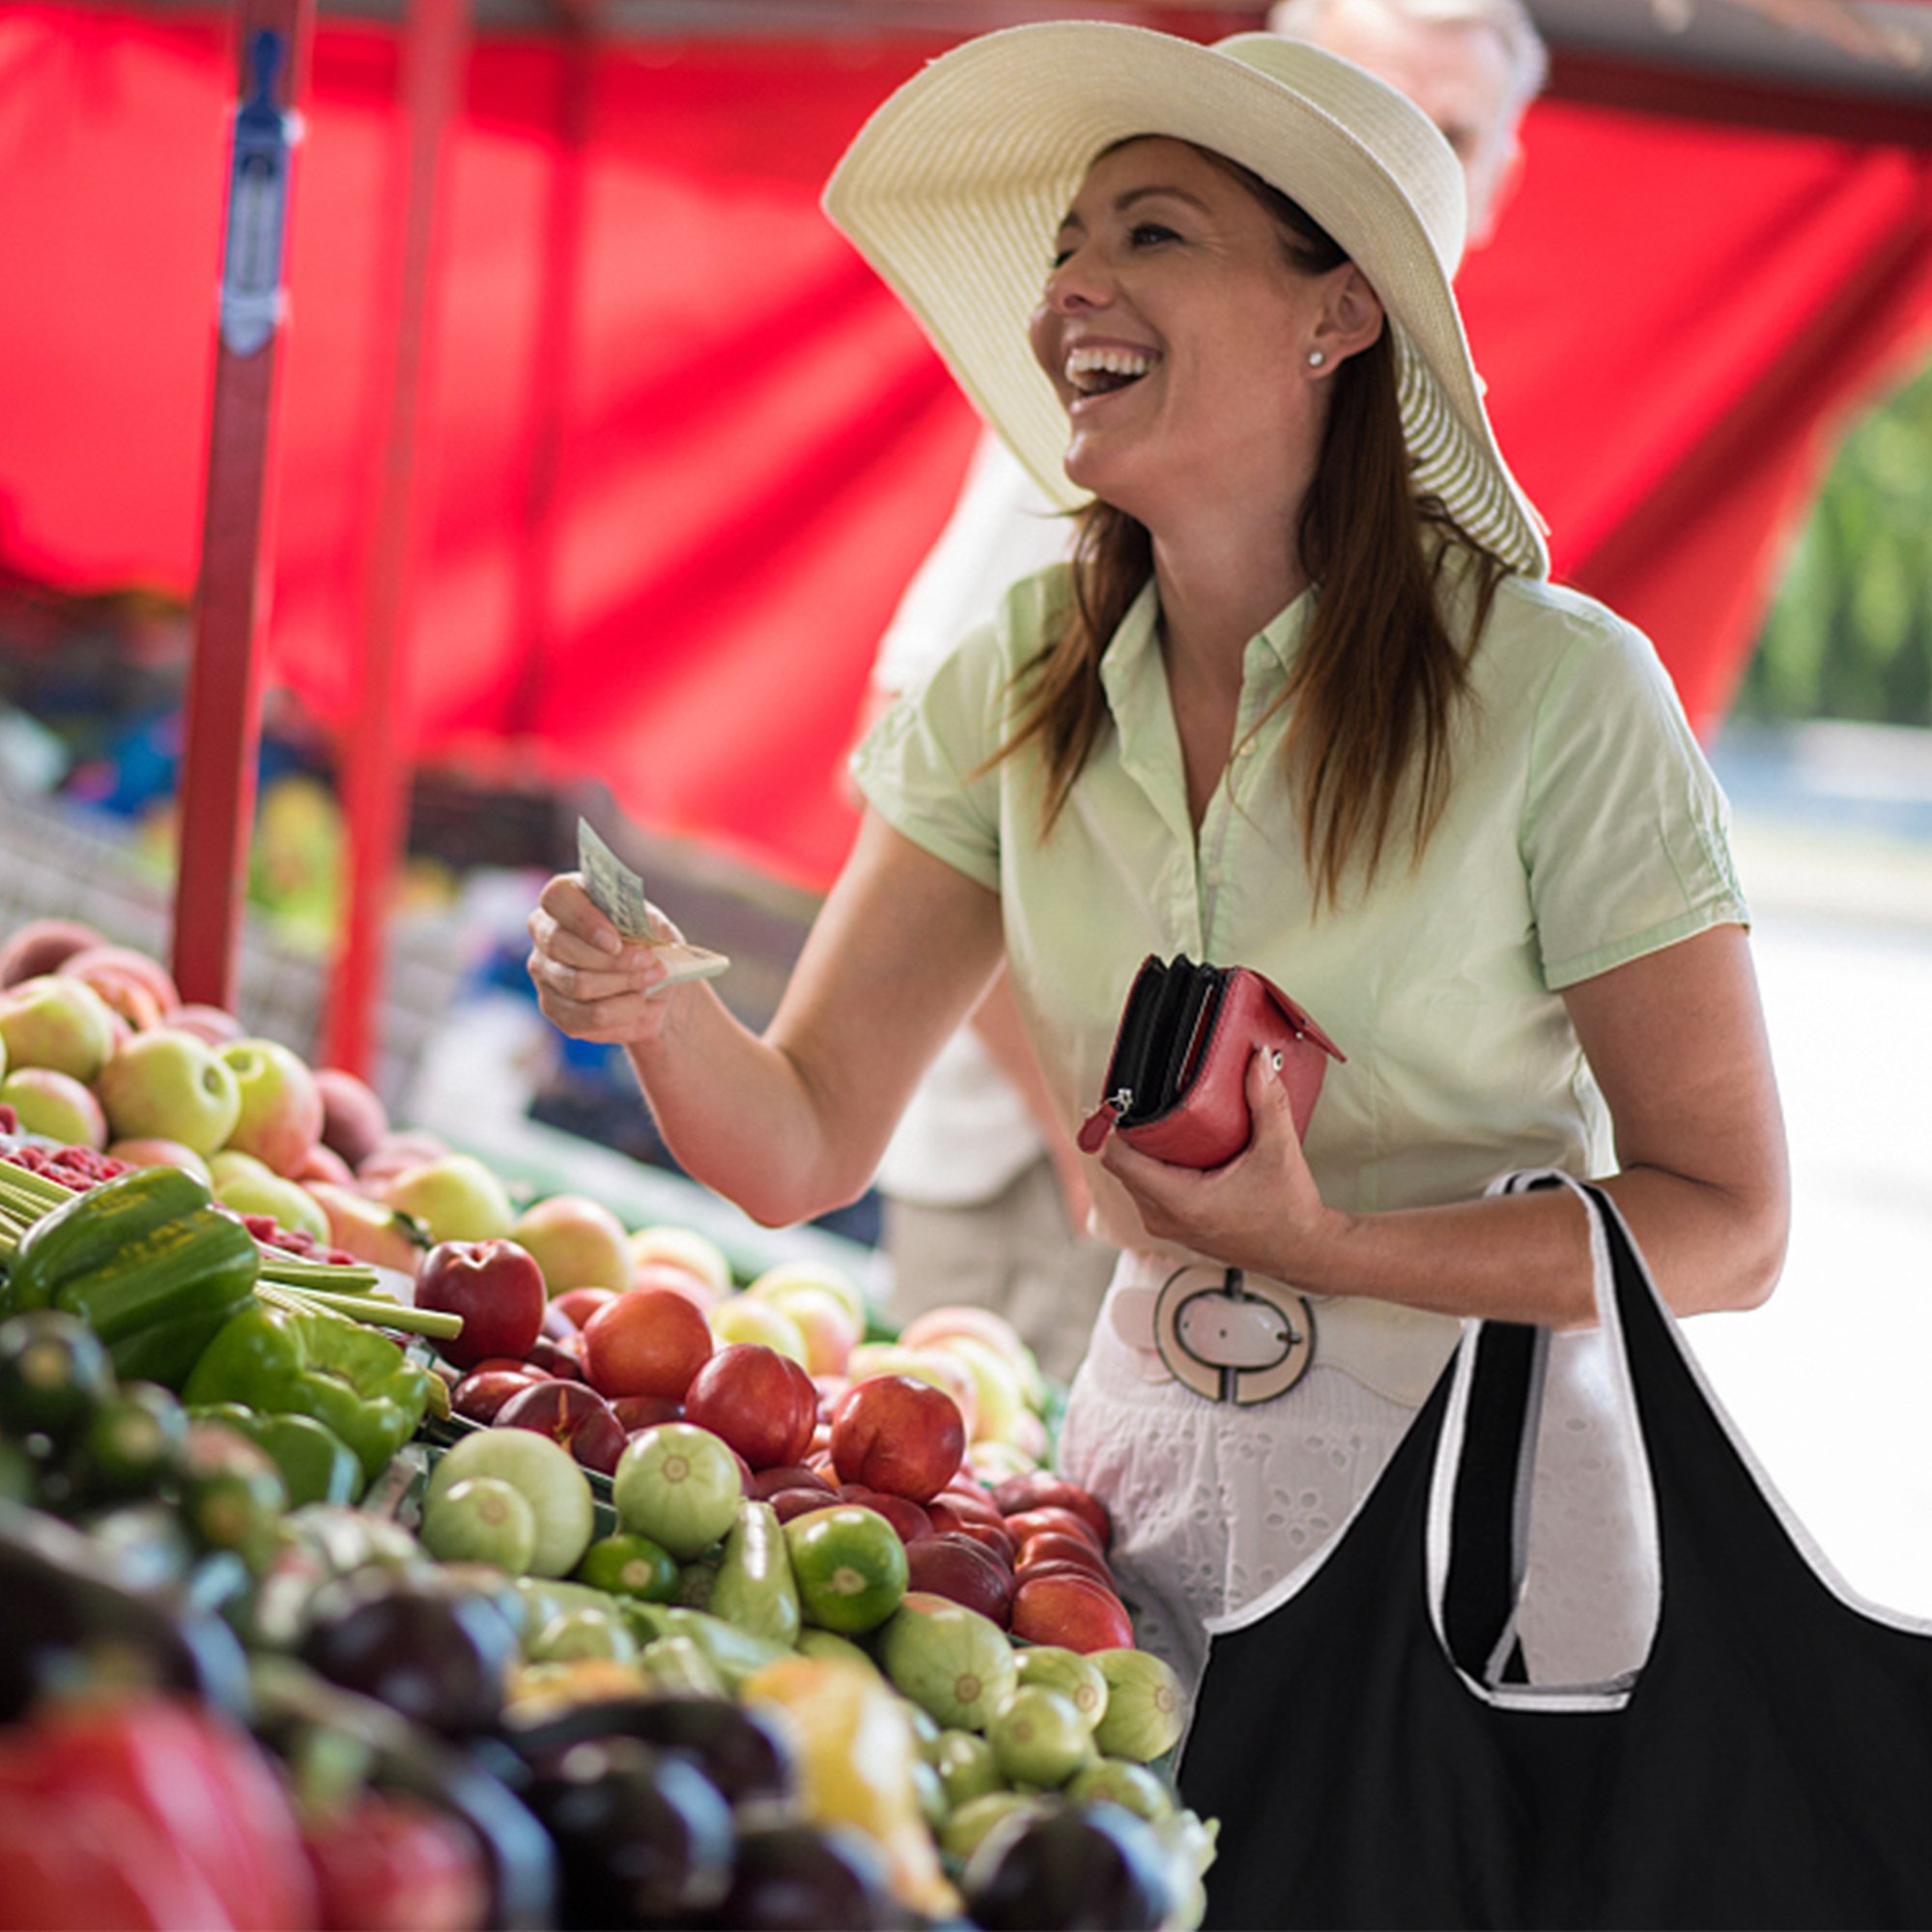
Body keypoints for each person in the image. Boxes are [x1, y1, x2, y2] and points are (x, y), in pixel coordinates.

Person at [528, 24, 1788, 1691]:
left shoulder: (1560, 692)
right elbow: (804, 1139)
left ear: (1338, 315)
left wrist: (1327, 1245)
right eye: (1067, 251)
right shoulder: (1017, 671)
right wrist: (655, 1010)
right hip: (1136, 1506)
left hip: (1476, 1531)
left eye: (1153, 236)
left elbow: (1732, 1226)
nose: (1072, 298)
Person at [862, 0, 1548, 1386]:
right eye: (1341, 103)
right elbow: (909, 764)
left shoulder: (1449, 568)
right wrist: (1093, 1130)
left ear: (1499, 177)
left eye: (1446, 135)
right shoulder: (1137, 438)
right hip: (1039, 1173)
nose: (1384, 152)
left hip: (1247, 1205)